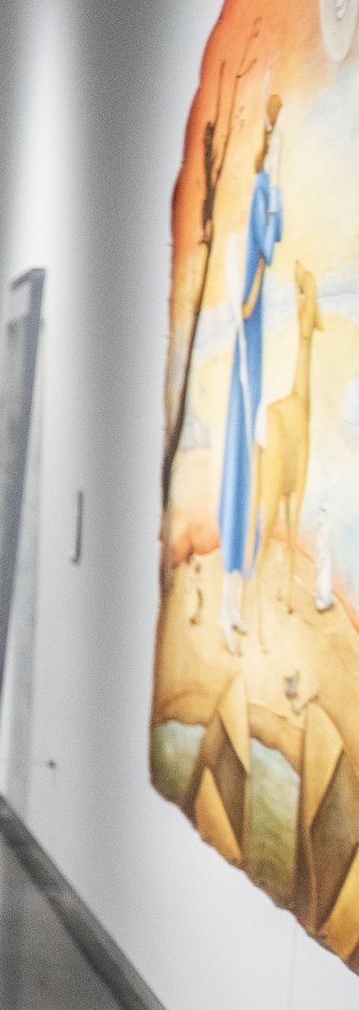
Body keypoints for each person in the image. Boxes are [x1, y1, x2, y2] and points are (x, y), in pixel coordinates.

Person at [219, 93, 285, 649]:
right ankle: (228, 603)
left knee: (249, 474)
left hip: (257, 352)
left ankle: (234, 602)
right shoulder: (254, 207)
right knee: (240, 476)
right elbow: (269, 240)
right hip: (250, 355)